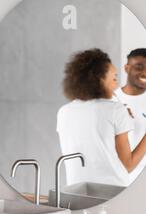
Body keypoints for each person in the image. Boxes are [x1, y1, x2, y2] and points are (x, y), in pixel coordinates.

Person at [57, 48, 146, 187]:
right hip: (112, 191)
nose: (116, 85)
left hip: (76, 188)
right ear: (99, 79)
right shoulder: (116, 110)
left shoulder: (64, 111)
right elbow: (127, 166)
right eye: (114, 78)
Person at [114, 48, 146, 183]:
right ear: (126, 68)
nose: (144, 72)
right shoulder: (113, 100)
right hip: (124, 181)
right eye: (139, 67)